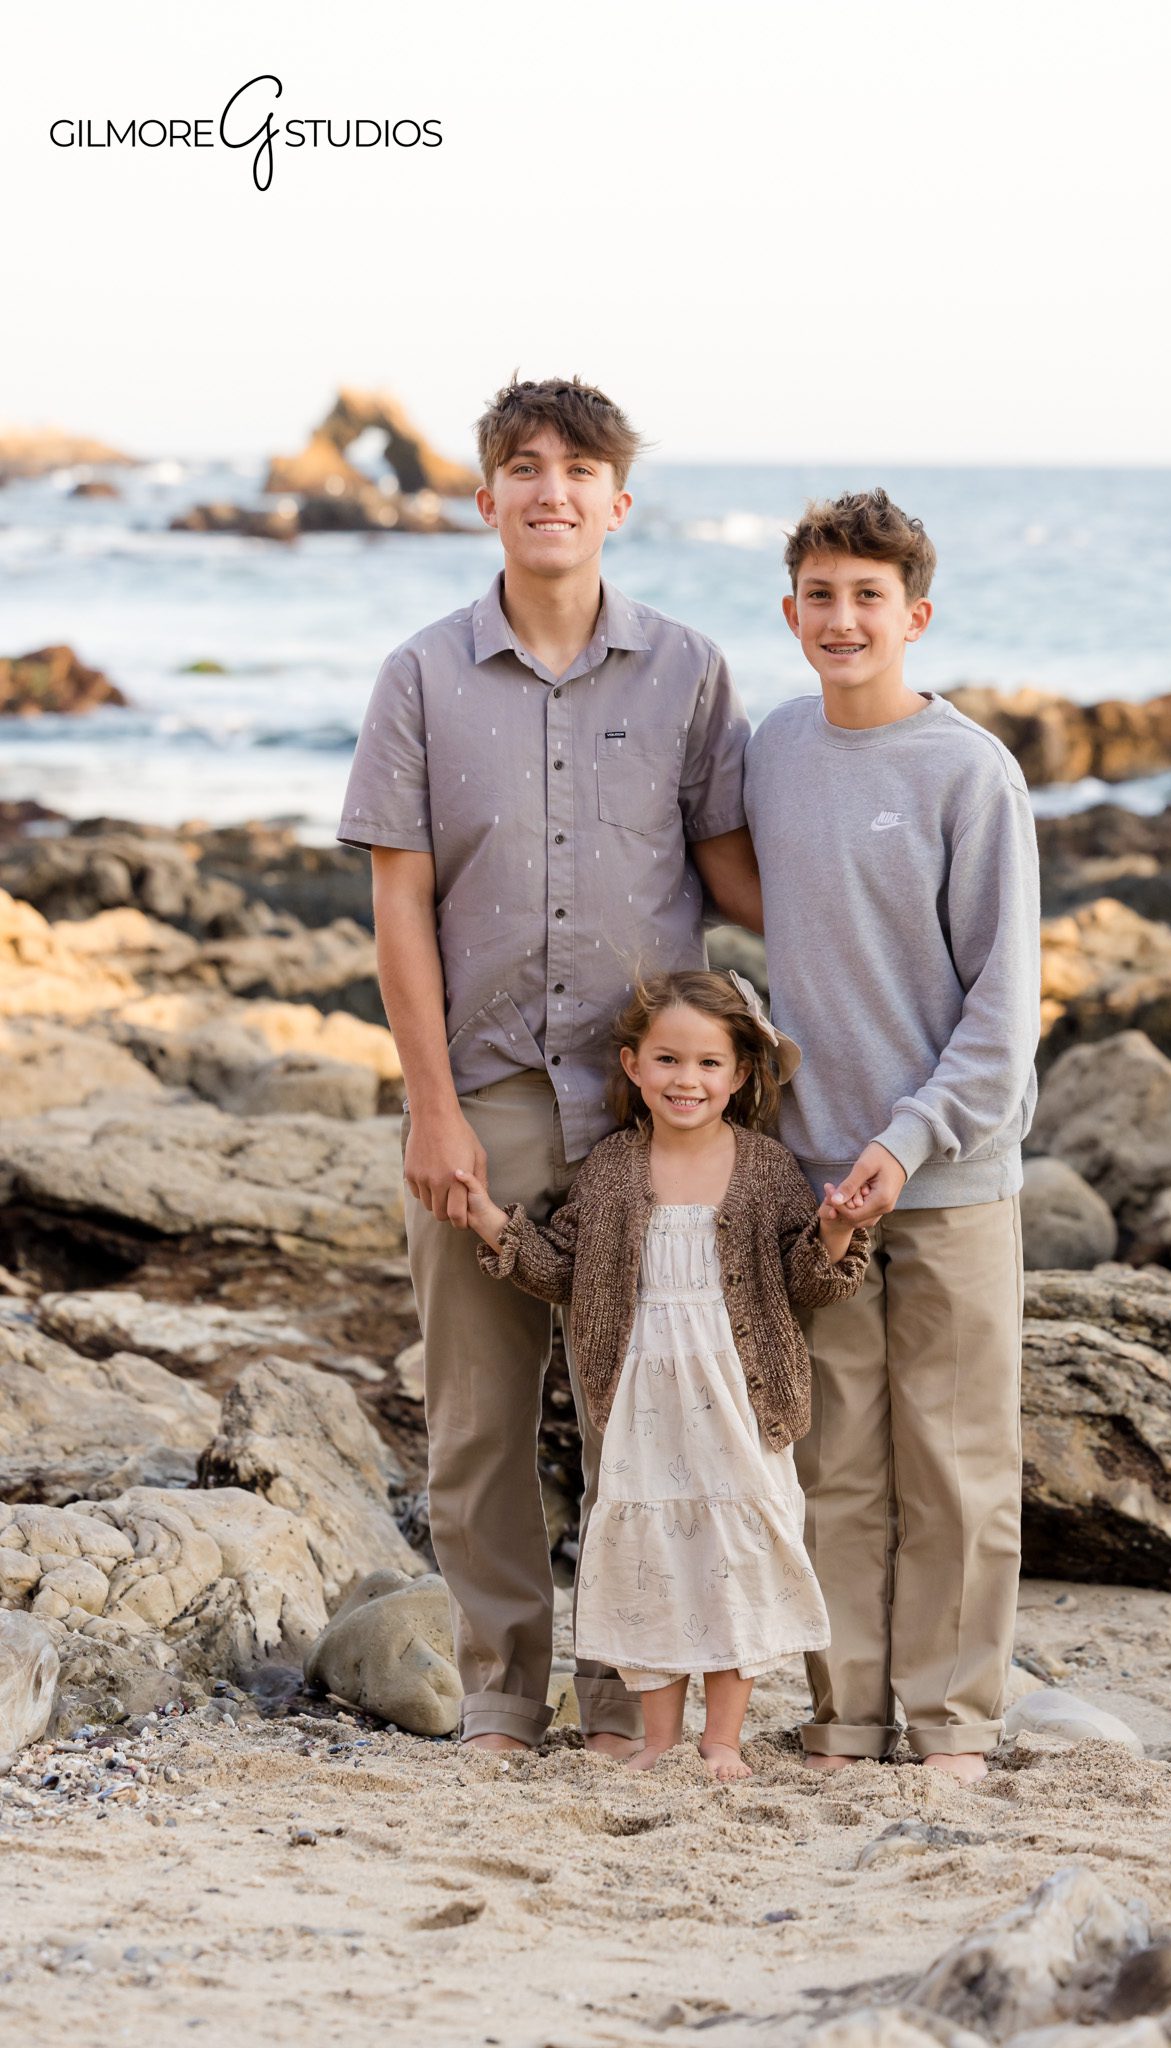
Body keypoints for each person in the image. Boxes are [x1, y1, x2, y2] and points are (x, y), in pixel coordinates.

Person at [336, 377, 763, 1755]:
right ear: (487, 499)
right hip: (493, 1095)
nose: (552, 488)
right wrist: (432, 1109)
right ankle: (508, 1700)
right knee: (478, 1421)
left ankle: (631, 1698)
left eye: (580, 468)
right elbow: (401, 907)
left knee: (652, 1416)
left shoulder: (692, 672)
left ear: (617, 503)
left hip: (651, 1116)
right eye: (524, 465)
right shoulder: (418, 674)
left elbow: (744, 874)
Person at [744, 489, 1041, 1784]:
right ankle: (847, 1718)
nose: (844, 617)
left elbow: (1004, 1001)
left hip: (951, 1177)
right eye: (821, 595)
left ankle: (954, 1725)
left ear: (915, 615)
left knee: (960, 1468)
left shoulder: (968, 771)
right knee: (836, 1466)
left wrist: (911, 1141)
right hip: (817, 1182)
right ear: (791, 612)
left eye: (870, 597)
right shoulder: (770, 751)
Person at [453, 970, 869, 1779]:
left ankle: (721, 1739)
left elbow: (804, 1285)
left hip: (739, 1401)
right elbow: (564, 1269)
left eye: (710, 1064)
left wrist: (829, 1233)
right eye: (669, 1060)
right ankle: (658, 1738)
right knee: (650, 1555)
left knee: (734, 1548)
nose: (688, 1080)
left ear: (741, 1075)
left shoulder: (766, 1169)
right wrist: (488, 1218)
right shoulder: (611, 1168)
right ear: (633, 1066)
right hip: (645, 1398)